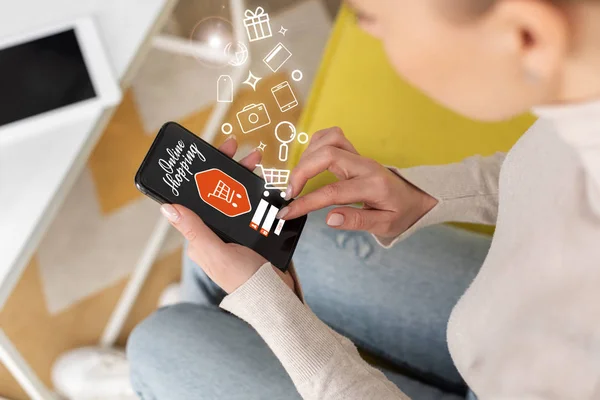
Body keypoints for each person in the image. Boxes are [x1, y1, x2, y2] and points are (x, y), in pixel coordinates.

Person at [127, 0, 600, 399]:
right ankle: (213, 318)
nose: (368, 30)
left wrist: (274, 312)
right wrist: (426, 197)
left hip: (511, 364)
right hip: (497, 307)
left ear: (526, 35)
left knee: (156, 342)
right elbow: (555, 165)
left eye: (373, 17)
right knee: (281, 229)